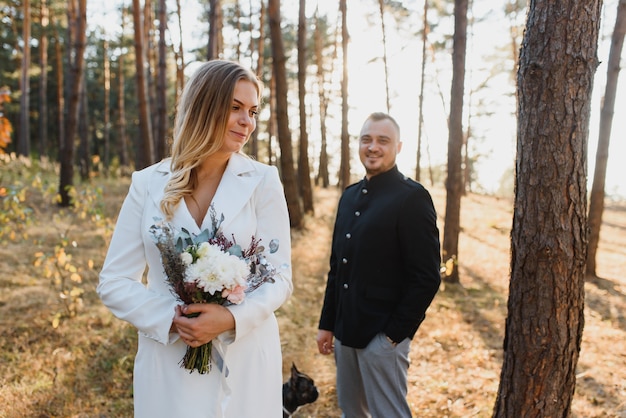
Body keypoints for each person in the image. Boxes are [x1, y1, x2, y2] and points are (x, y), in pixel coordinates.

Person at [98, 60, 293, 418]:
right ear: (203, 107)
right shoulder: (148, 183)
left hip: (246, 357)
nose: (246, 122)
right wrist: (173, 319)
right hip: (169, 362)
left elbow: (279, 278)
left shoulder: (263, 181)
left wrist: (230, 319)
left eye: (252, 111)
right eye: (235, 108)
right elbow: (114, 281)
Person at [316, 112, 441, 417]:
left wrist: (392, 337)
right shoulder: (348, 197)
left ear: (398, 147)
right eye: (366, 139)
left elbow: (427, 277)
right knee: (351, 412)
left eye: (382, 141)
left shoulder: (412, 198)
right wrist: (327, 323)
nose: (373, 147)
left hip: (381, 338)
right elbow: (338, 268)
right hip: (345, 333)